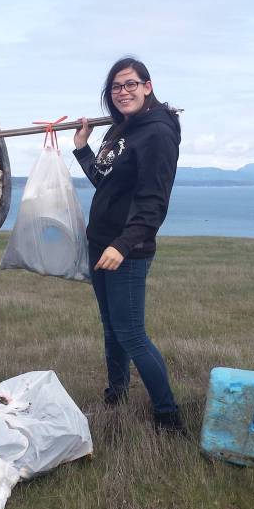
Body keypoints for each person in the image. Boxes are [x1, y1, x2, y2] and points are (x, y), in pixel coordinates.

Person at [72, 57, 184, 432]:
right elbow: (106, 182)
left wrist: (122, 245)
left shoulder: (158, 133)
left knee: (132, 334)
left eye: (131, 84)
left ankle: (168, 415)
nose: (123, 92)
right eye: (116, 87)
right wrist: (83, 149)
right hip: (101, 244)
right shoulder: (121, 130)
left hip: (127, 251)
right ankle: (116, 394)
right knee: (111, 328)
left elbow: (154, 202)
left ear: (148, 86)